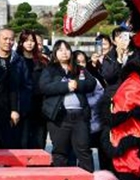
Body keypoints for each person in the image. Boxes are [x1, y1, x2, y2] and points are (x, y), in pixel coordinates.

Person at [39, 40, 97, 172]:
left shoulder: (79, 69)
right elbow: (44, 87)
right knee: (60, 150)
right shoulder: (50, 69)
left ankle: (87, 179)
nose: (64, 52)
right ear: (55, 53)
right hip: (59, 116)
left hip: (80, 116)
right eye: (60, 50)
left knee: (84, 149)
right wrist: (66, 86)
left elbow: (91, 83)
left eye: (67, 49)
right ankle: (61, 179)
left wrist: (77, 85)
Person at [16, 30, 48, 150]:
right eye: (26, 40)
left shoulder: (42, 61)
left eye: (32, 41)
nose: (29, 43)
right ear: (21, 42)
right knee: (22, 140)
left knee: (39, 139)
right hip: (22, 105)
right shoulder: (15, 60)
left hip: (39, 105)